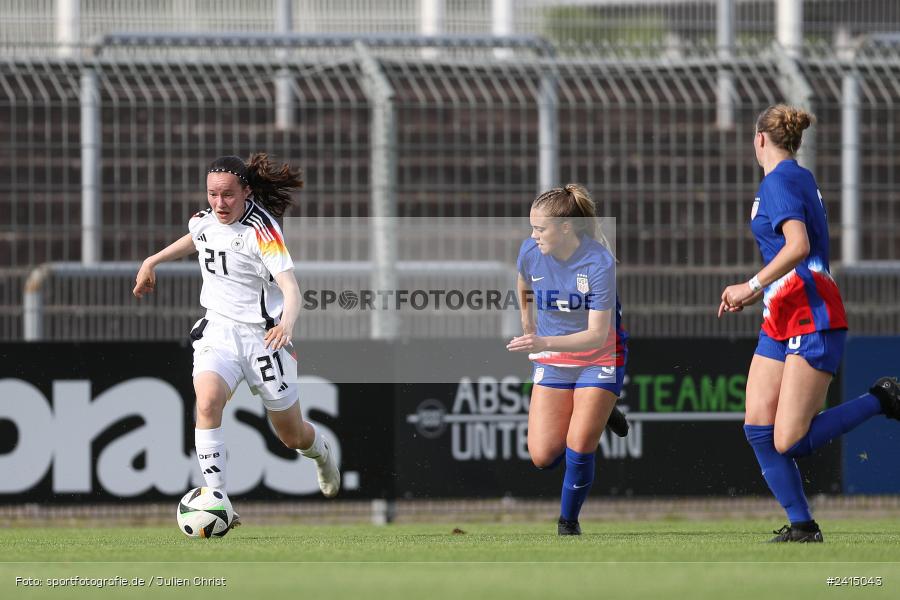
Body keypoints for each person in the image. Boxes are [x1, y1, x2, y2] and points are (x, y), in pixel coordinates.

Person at [718, 104, 900, 542]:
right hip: (782, 314)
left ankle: (882, 397)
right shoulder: (797, 175)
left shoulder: (779, 181)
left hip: (811, 313)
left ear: (760, 139)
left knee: (788, 440)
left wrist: (751, 285)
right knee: (758, 428)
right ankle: (802, 526)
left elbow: (797, 246)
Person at [133, 154, 341, 528]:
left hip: (265, 340)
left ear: (246, 191)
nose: (220, 203)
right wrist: (153, 260)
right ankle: (217, 499)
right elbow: (198, 237)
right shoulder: (204, 221)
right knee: (208, 401)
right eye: (213, 194)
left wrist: (287, 323)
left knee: (292, 437)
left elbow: (291, 289)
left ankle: (322, 454)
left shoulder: (263, 232)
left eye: (228, 195)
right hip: (219, 333)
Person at [507, 183, 629, 536]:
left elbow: (596, 334)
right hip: (554, 355)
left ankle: (567, 523)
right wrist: (527, 321)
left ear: (565, 228)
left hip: (600, 353)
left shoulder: (598, 262)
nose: (533, 236)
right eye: (531, 228)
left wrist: (542, 338)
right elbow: (523, 282)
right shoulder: (531, 251)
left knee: (579, 443)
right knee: (543, 456)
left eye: (540, 229)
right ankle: (603, 412)